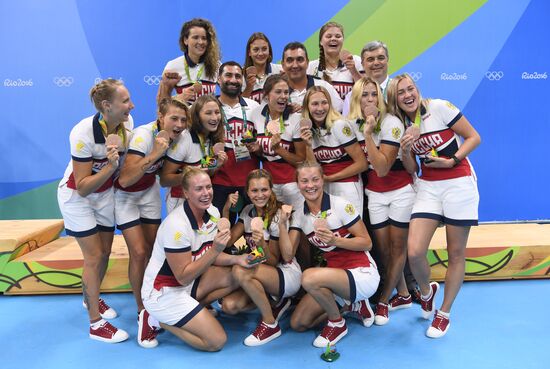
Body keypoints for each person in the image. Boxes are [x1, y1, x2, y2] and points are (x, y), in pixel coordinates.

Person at [389, 73, 481, 338]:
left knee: (456, 253)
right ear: (395, 99)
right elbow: (411, 169)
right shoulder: (398, 123)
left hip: (458, 183)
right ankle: (426, 292)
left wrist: (452, 160)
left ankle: (444, 313)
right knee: (415, 251)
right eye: (401, 93)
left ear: (418, 89)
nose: (408, 95)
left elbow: (474, 137)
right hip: (428, 185)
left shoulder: (439, 107)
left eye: (411, 89)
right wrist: (405, 150)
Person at [141, 167, 252, 351]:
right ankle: (155, 320)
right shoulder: (176, 226)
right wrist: (216, 249)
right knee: (216, 341)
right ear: (186, 193)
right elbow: (182, 277)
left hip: (188, 284)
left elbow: (209, 255)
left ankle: (195, 308)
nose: (206, 193)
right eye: (199, 189)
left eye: (208, 187)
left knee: (236, 274)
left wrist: (237, 259)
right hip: (164, 292)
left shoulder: (213, 213)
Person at [57, 79, 134, 343]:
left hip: (104, 195)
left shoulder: (128, 124)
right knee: (94, 256)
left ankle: (92, 297)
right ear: (106, 105)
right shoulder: (83, 133)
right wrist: (111, 168)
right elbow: (82, 188)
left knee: (105, 253)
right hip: (78, 198)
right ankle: (95, 324)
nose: (131, 106)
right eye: (125, 101)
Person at [115, 97, 188, 347]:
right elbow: (125, 179)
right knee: (138, 252)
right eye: (173, 119)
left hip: (148, 193)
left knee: (154, 251)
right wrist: (155, 154)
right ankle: (141, 309)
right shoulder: (144, 136)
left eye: (182, 120)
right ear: (160, 118)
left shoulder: (178, 137)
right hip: (125, 196)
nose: (178, 124)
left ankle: (153, 300)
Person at [347, 77, 416, 325]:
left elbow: (383, 168)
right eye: (364, 95)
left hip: (400, 190)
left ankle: (385, 301)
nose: (369, 100)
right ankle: (405, 294)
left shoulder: (391, 122)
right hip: (374, 193)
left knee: (398, 249)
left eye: (373, 94)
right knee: (384, 251)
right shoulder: (352, 124)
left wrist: (367, 133)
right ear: (356, 98)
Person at [289, 161, 379, 347]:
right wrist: (282, 225)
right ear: (297, 184)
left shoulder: (341, 206)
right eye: (304, 181)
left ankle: (337, 323)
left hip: (361, 273)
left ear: (323, 180)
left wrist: (335, 240)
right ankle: (353, 304)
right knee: (298, 323)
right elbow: (288, 254)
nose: (310, 185)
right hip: (334, 278)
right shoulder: (299, 215)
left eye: (315, 179)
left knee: (309, 277)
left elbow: (367, 243)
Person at [219, 169, 301, 346]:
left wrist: (261, 244)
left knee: (239, 269)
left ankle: (270, 323)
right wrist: (226, 209)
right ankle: (274, 301)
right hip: (262, 270)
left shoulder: (278, 214)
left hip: (284, 273)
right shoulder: (248, 211)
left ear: (271, 189)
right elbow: (228, 241)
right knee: (229, 306)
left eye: (264, 189)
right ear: (247, 192)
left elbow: (273, 260)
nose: (260, 195)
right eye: (254, 191)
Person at [299, 86, 367, 212]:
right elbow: (313, 168)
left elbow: (362, 164)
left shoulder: (339, 125)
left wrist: (331, 178)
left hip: (347, 185)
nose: (320, 108)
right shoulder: (308, 130)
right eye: (315, 104)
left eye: (324, 103)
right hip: (323, 187)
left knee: (351, 228)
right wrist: (308, 145)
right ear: (307, 107)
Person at [211, 61, 260, 223]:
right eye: (228, 75)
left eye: (238, 76)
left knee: (252, 230)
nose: (233, 80)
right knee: (220, 229)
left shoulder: (255, 107)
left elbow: (263, 148)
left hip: (249, 182)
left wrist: (256, 148)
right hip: (219, 181)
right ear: (219, 79)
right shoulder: (209, 107)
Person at [160, 95, 227, 213]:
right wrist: (189, 175)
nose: (215, 117)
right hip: (180, 200)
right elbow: (164, 180)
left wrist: (217, 165)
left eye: (217, 112)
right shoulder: (184, 139)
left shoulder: (213, 137)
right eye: (208, 113)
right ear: (197, 117)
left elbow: (205, 170)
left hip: (201, 199)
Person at [247, 74, 306, 207]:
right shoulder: (256, 114)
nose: (284, 96)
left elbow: (302, 161)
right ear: (267, 95)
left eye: (286, 92)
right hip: (269, 184)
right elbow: (262, 154)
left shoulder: (295, 118)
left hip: (292, 183)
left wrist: (279, 150)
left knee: (296, 223)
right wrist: (257, 150)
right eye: (278, 92)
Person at [157, 18, 220, 104]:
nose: (201, 42)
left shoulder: (216, 65)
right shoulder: (173, 66)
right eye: (195, 37)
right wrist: (179, 98)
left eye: (204, 38)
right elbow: (161, 103)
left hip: (209, 117)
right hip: (184, 117)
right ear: (185, 40)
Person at [307, 22, 363, 100]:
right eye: (328, 36)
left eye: (338, 36)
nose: (333, 39)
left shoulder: (356, 61)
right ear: (321, 42)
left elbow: (366, 90)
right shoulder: (311, 67)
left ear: (343, 40)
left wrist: (353, 70)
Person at [281, 42, 343, 112]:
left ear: (307, 63)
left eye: (300, 59)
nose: (295, 65)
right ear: (283, 65)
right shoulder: (276, 91)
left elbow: (339, 115)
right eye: (290, 60)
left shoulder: (324, 87)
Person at [343, 40, 390, 116]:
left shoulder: (399, 90)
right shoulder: (352, 96)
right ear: (362, 64)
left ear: (387, 60)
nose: (376, 63)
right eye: (370, 59)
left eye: (380, 58)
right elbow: (347, 125)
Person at [241, 32, 283, 103]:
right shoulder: (240, 75)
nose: (260, 53)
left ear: (269, 51)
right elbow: (238, 105)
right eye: (256, 49)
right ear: (249, 53)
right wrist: (248, 88)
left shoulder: (279, 71)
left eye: (264, 49)